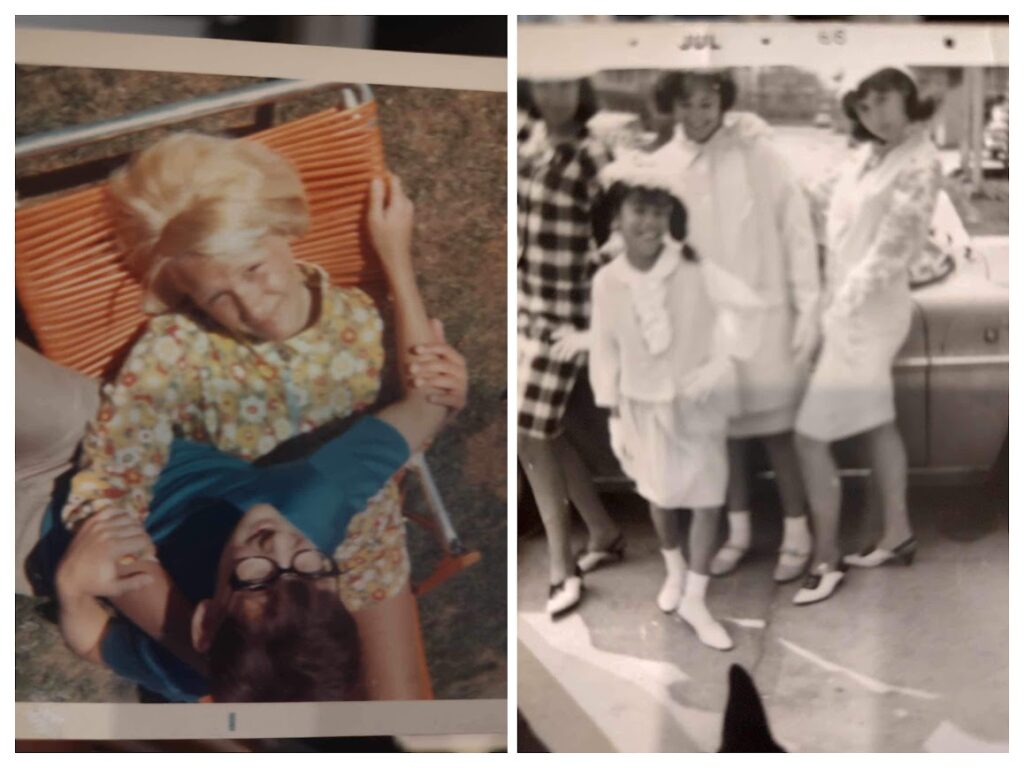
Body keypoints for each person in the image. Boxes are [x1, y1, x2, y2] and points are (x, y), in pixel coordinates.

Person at [19, 132, 468, 701]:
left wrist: (74, 594)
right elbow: (425, 405)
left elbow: (95, 631)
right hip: (80, 454)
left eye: (255, 269)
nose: (278, 545)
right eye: (220, 297)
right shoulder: (306, 505)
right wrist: (396, 257)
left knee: (328, 707)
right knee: (389, 719)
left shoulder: (354, 321)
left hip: (35, 544)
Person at [651, 69, 821, 585]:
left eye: (708, 102)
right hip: (700, 325)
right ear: (671, 106)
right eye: (687, 104)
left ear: (722, 100)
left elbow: (796, 231)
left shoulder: (758, 155)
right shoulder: (662, 167)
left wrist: (807, 307)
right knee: (722, 436)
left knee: (776, 431)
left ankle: (798, 533)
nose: (699, 114)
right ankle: (739, 532)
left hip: (765, 318)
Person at [588, 153, 764, 651]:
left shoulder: (692, 264)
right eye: (638, 211)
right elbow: (605, 348)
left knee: (707, 499)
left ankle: (697, 597)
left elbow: (748, 308)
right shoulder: (606, 281)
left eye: (658, 211)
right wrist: (614, 417)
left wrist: (723, 362)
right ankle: (675, 570)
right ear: (618, 217)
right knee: (660, 496)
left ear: (670, 216)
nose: (649, 222)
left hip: (698, 403)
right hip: (643, 406)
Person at [791, 66, 942, 605]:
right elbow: (812, 199)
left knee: (810, 437)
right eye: (863, 105)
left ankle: (826, 558)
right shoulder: (865, 155)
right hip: (846, 308)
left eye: (883, 99)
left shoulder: (921, 162)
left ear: (907, 95)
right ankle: (898, 534)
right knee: (878, 424)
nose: (873, 113)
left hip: (868, 315)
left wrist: (837, 310)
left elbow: (893, 251)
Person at [518, 74, 623, 618]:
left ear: (581, 91)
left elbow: (623, 233)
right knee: (545, 432)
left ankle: (560, 569)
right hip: (525, 307)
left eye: (566, 87)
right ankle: (602, 531)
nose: (556, 98)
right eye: (546, 86)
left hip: (567, 317)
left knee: (528, 434)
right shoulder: (526, 144)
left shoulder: (594, 154)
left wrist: (594, 285)